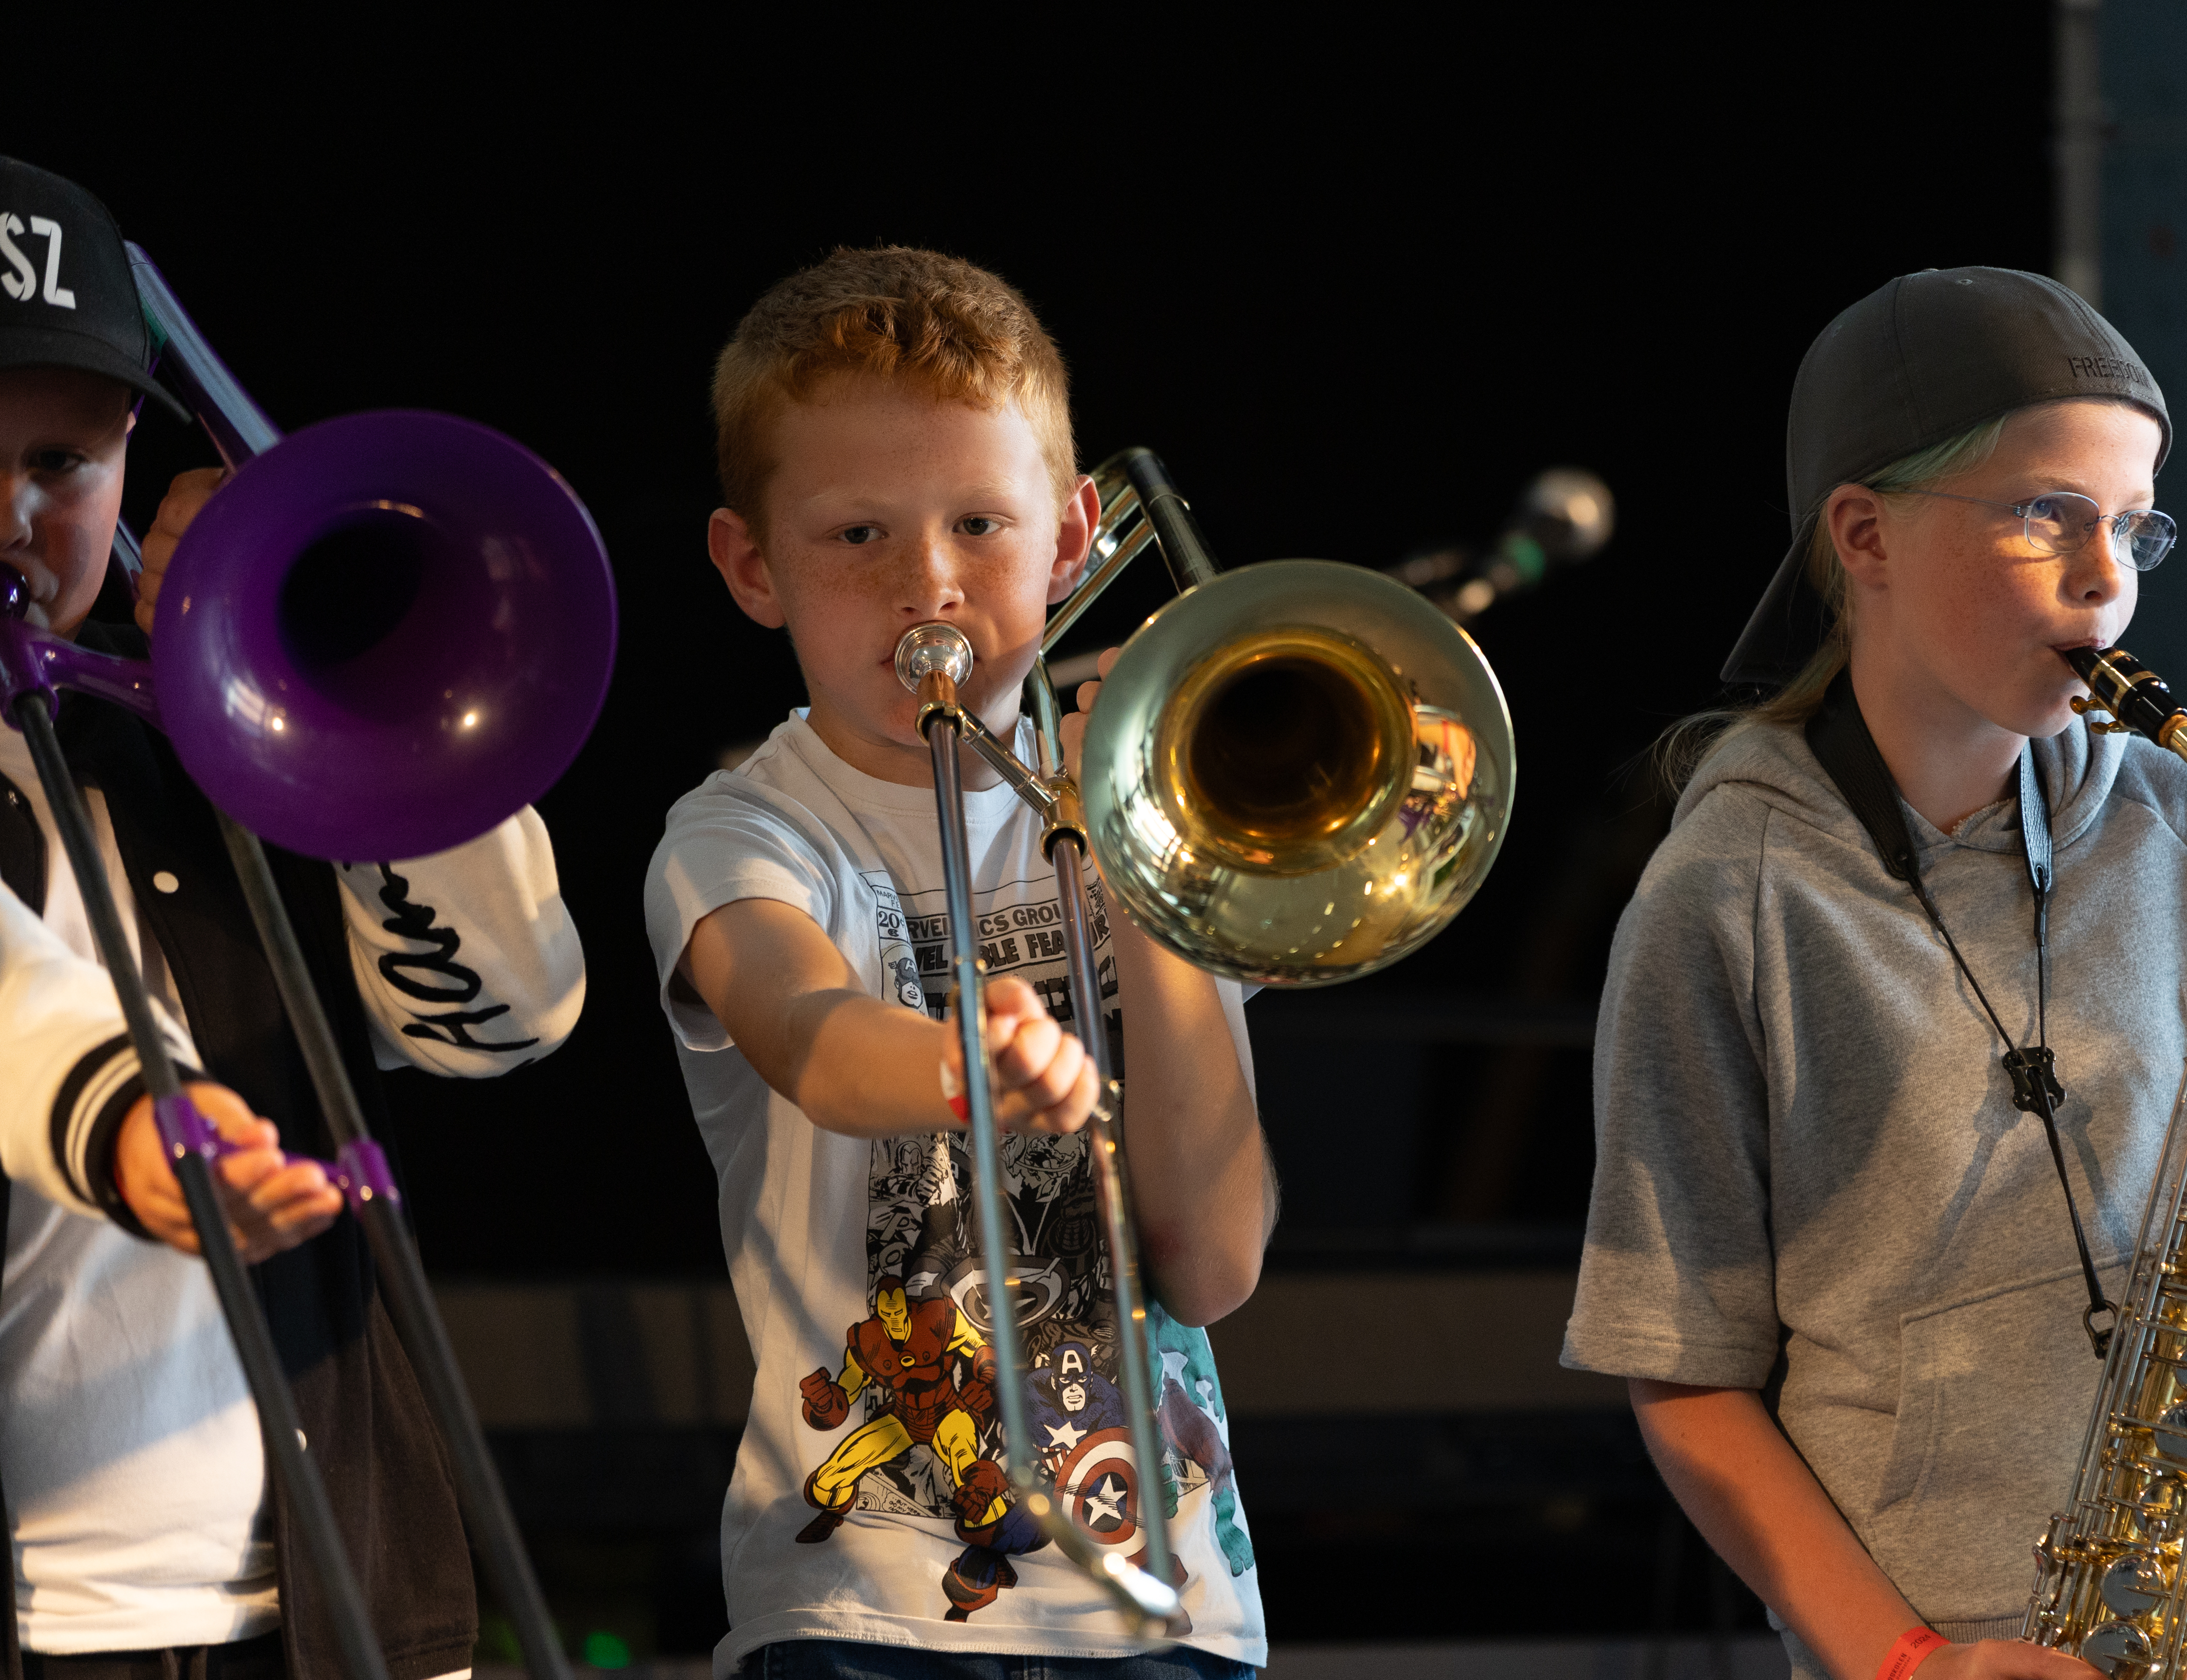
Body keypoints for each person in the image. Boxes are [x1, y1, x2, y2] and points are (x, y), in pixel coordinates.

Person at [1561, 267, 2187, 1680]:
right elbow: (1683, 1378)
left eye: (2130, 525)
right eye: (2045, 514)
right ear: (1862, 532)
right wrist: (1907, 1658)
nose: (2105, 576)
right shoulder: (1727, 892)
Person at [643, 246, 1270, 1679]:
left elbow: (1215, 1259)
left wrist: (1142, 868)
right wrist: (956, 1063)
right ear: (753, 567)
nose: (927, 578)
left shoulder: (1152, 821)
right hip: (858, 1608)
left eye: (980, 522)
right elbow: (802, 1028)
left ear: (1069, 538)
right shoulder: (743, 829)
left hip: (1169, 1615)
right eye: (856, 536)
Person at [0, 155, 587, 1680]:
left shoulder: (217, 740)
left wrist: (333, 662)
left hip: (335, 1606)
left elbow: (497, 1026)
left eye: (60, 460)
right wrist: (146, 1127)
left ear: (134, 451)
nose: (11, 515)